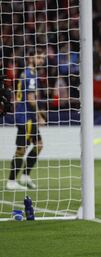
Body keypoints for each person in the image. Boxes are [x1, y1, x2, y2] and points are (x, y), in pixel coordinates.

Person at [6, 49, 46, 190]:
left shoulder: (29, 73)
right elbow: (30, 98)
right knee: (21, 150)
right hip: (25, 117)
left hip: (27, 116)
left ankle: (25, 176)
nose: (41, 60)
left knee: (39, 145)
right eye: (39, 57)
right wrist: (40, 115)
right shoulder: (30, 75)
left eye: (42, 58)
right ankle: (11, 181)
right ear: (30, 58)